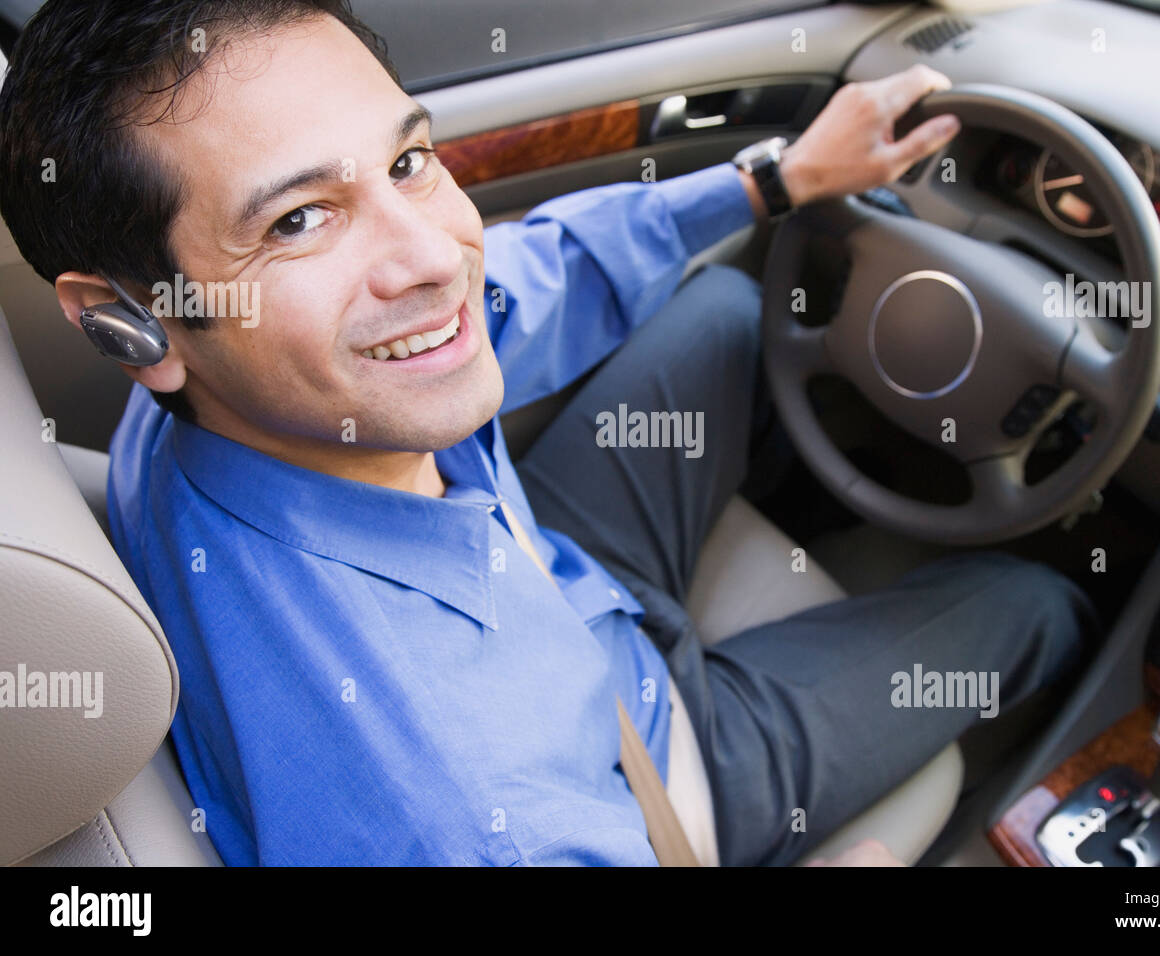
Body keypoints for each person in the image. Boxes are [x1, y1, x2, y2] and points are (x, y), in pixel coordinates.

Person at [0, 0, 1098, 866]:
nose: (437, 256)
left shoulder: (237, 388)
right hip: (657, 769)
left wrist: (777, 179)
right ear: (124, 317)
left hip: (555, 593)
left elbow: (544, 273)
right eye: (298, 220)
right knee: (1033, 601)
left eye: (406, 162)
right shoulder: (473, 820)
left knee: (717, 313)